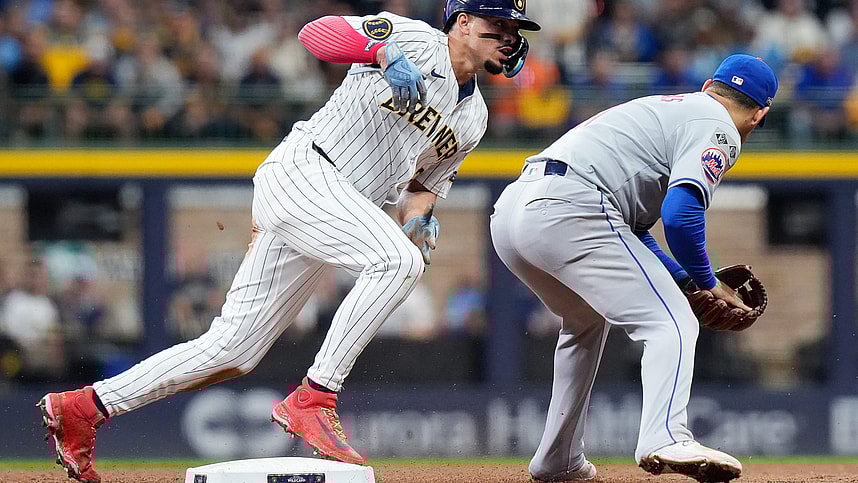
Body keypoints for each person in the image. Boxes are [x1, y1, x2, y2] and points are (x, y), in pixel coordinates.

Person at [38, 1, 541, 482]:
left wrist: (420, 216)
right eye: (499, 24)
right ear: (463, 21)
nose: (509, 37)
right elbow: (316, 34)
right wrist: (383, 53)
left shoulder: (475, 118)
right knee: (396, 262)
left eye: (514, 30)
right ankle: (316, 397)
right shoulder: (414, 38)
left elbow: (423, 186)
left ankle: (84, 408)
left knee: (233, 350)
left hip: (337, 204)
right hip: (306, 170)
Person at [490, 54, 777, 482]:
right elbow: (681, 216)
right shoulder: (719, 126)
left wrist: (682, 279)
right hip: (571, 207)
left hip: (515, 211)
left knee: (585, 320)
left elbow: (629, 232)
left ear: (707, 86)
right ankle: (665, 435)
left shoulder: (669, 109)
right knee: (672, 323)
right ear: (760, 114)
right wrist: (706, 281)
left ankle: (558, 459)